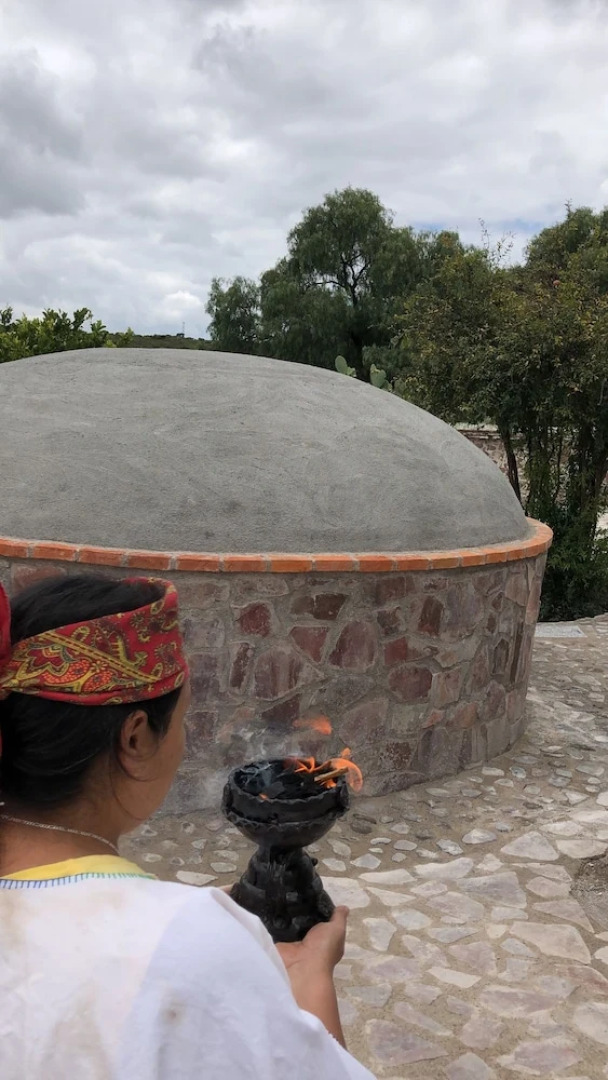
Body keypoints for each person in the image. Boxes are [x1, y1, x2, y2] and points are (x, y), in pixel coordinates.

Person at [0, 574, 375, 1079]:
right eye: (183, 717)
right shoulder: (192, 949)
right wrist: (310, 979)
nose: (183, 739)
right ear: (134, 737)